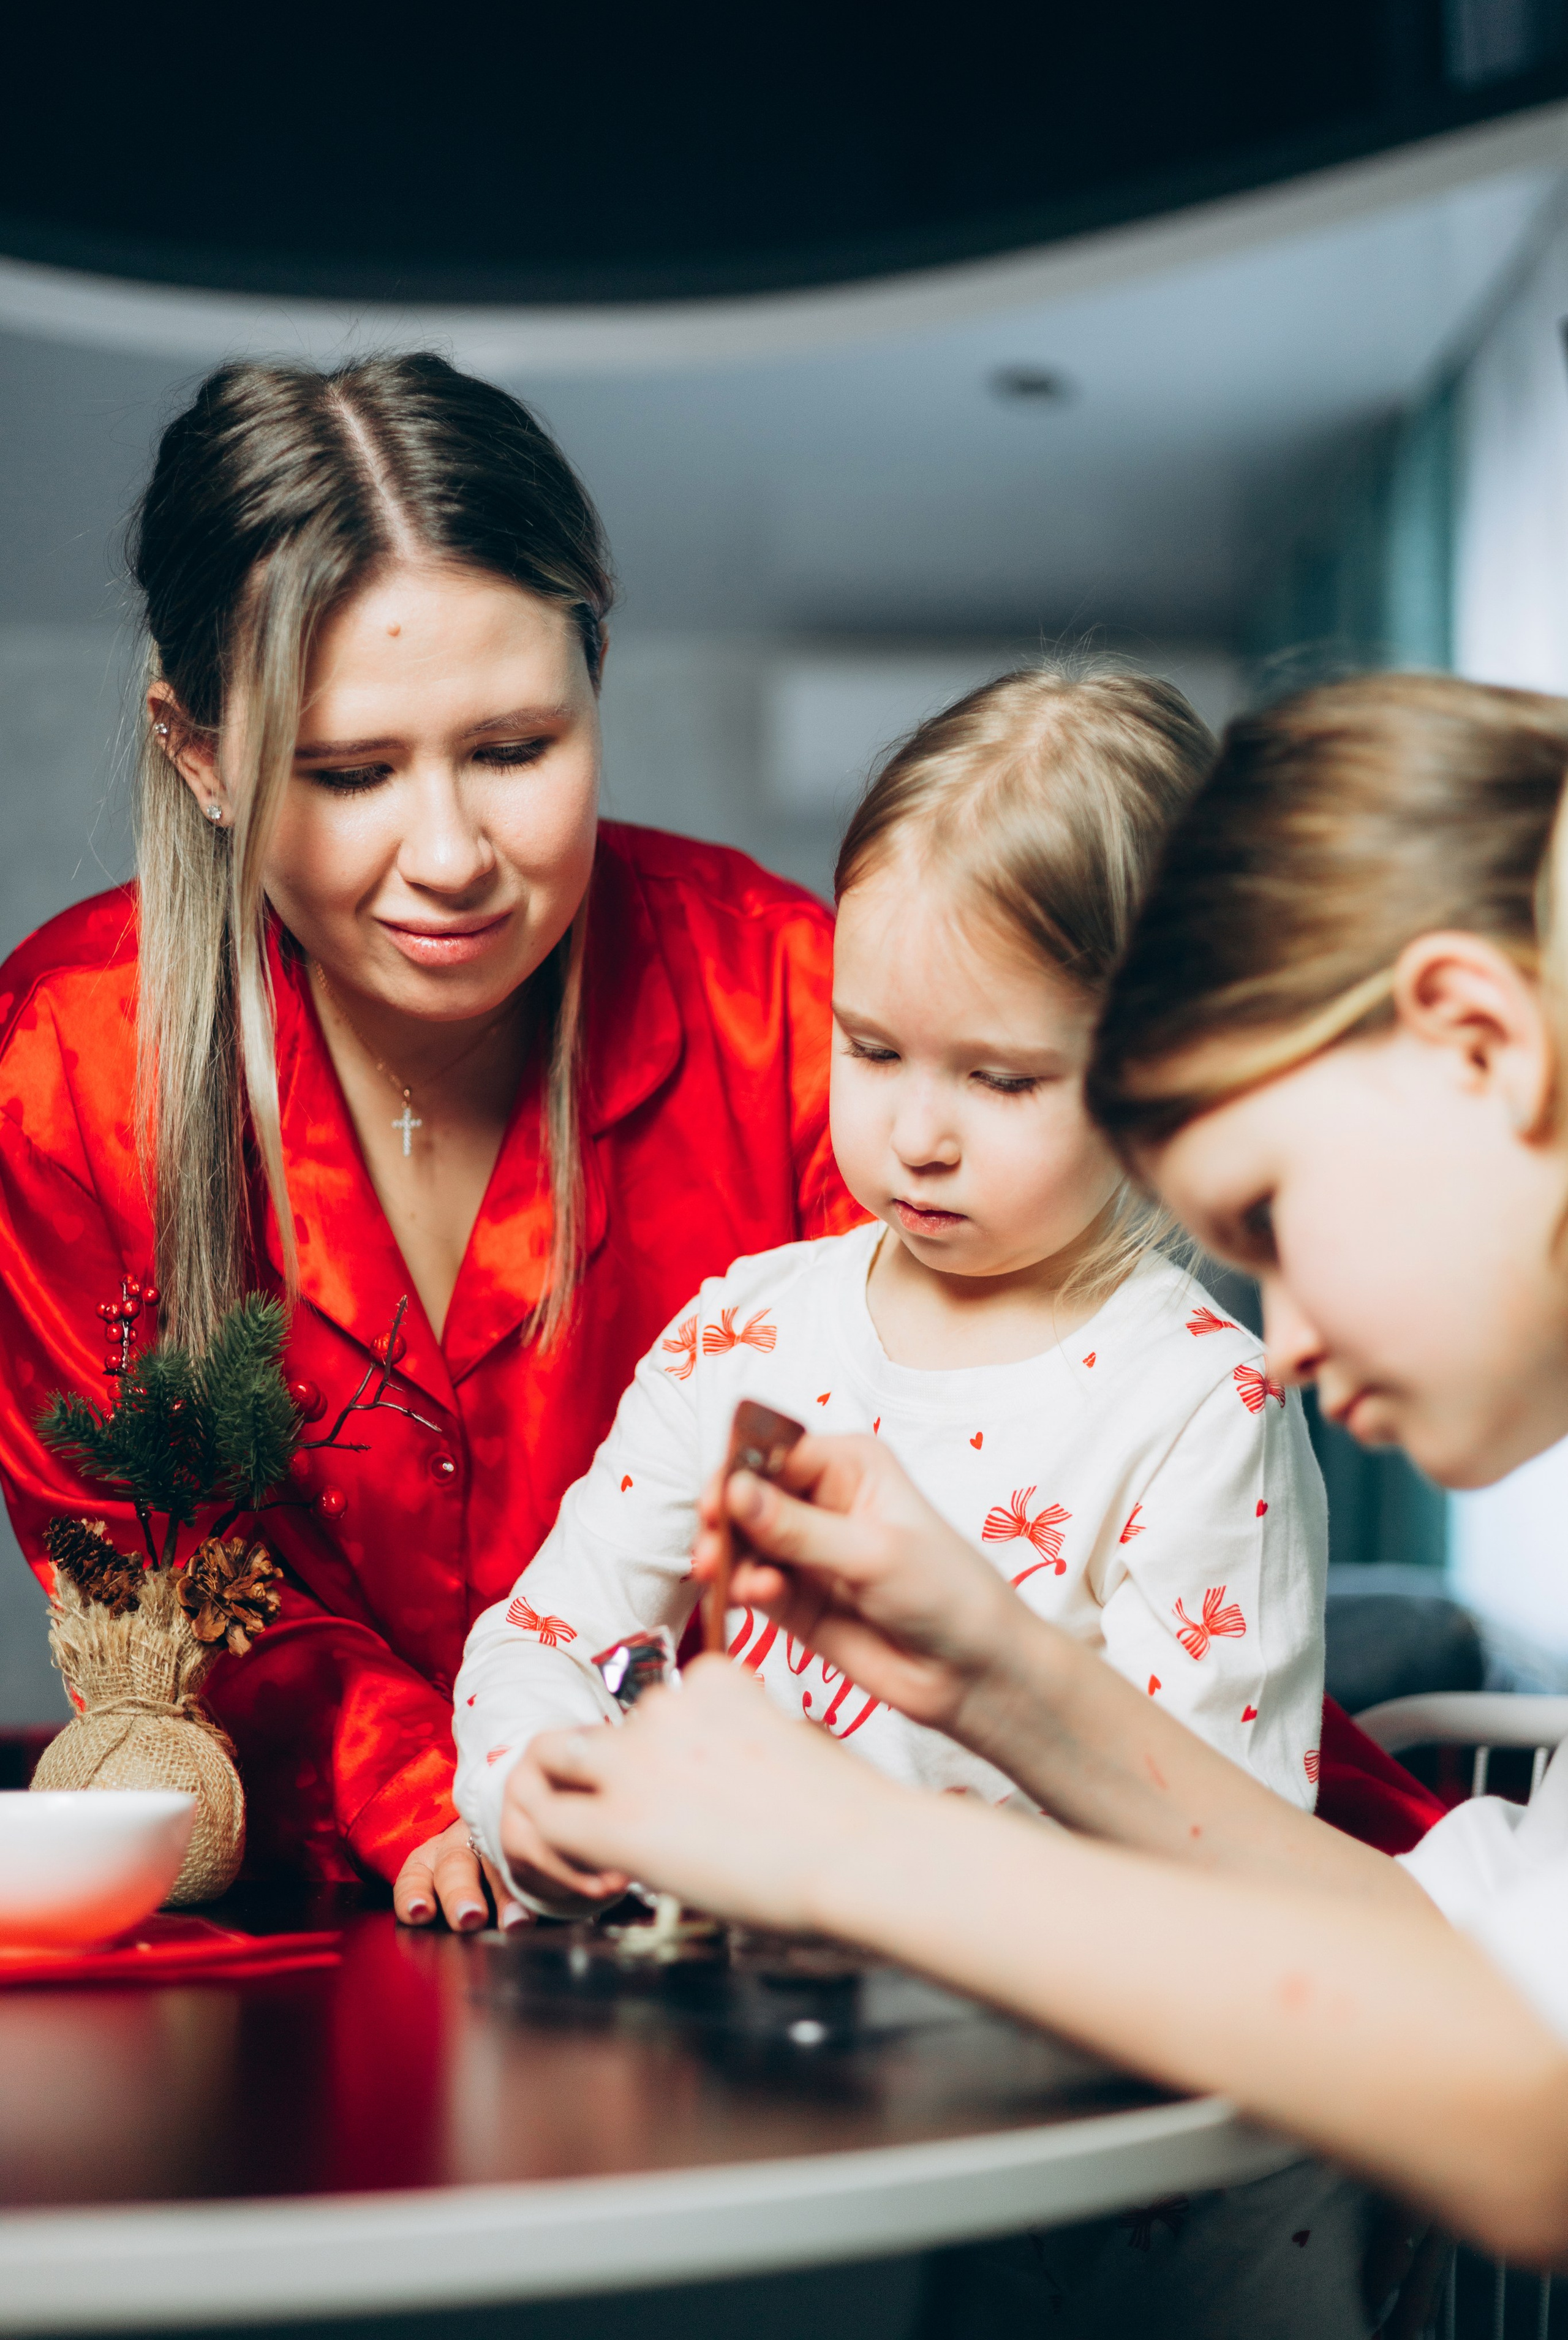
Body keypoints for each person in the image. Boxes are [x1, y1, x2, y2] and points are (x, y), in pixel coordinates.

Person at [508, 674, 1568, 2268]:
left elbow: (1535, 2108)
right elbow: (1461, 1962)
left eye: (1274, 1214)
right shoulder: (763, 1319)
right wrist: (997, 1669)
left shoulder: (1196, 1388)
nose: (1273, 1341)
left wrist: (846, 1852)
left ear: (1479, 1045)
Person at [0, 350, 856, 1920]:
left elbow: (934, 1490)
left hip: (770, 1895)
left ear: (600, 670)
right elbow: (147, 1584)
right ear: (198, 753)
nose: (450, 856)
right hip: (310, 1949)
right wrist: (443, 1791)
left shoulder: (792, 1000)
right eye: (347, 774)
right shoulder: (64, 1065)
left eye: (515, 750)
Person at [454, 668, 1329, 1918]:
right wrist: (527, 1785)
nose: (916, 1133)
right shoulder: (740, 1331)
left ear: (1163, 1068)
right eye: (868, 1049)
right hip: (729, 2045)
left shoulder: (1199, 1406)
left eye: (1000, 1078)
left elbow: (1225, 1855)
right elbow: (544, 1636)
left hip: (1028, 2055)